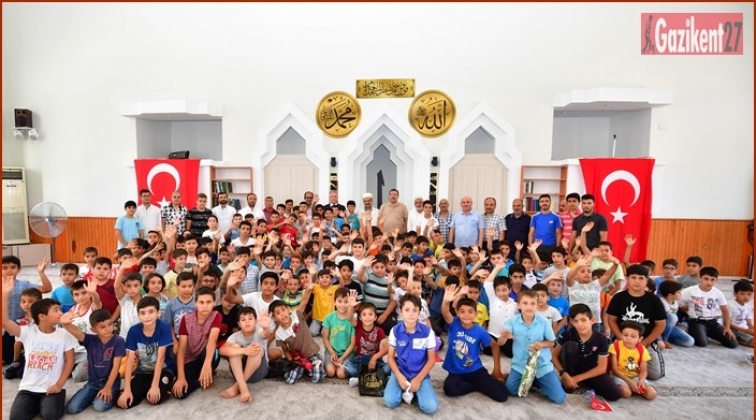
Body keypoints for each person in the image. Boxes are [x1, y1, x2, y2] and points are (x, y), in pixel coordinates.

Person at [3, 276, 77, 420]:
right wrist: (5, 295)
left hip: (52, 388)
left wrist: (59, 385)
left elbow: (70, 361)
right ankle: (37, 404)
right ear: (42, 316)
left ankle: (47, 403)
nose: (60, 313)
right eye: (56, 310)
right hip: (28, 388)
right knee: (16, 417)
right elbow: (4, 321)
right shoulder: (27, 332)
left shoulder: (64, 334)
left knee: (50, 415)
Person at [441, 284, 508, 402]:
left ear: (476, 314)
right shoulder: (454, 324)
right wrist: (446, 301)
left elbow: (495, 346)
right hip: (456, 371)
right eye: (462, 312)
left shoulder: (480, 331)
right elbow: (445, 312)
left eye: (470, 312)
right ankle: (475, 386)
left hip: (475, 370)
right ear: (457, 312)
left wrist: (497, 369)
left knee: (502, 396)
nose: (466, 315)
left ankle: (481, 382)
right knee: (449, 389)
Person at [501, 290, 565, 404]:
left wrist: (541, 344)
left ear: (537, 306)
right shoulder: (511, 321)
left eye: (532, 303)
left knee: (559, 398)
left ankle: (537, 381)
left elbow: (552, 342)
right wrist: (504, 337)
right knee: (511, 390)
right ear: (519, 305)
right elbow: (500, 343)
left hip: (542, 364)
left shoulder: (544, 322)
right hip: (521, 364)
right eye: (525, 303)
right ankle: (533, 380)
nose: (529, 306)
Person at [606, 264, 668, 380]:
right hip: (622, 339)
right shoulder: (618, 297)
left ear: (646, 280)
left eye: (641, 278)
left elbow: (661, 324)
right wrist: (621, 337)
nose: (637, 281)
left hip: (644, 340)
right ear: (627, 278)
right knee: (611, 368)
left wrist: (644, 343)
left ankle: (638, 367)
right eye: (633, 277)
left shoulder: (654, 300)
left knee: (655, 375)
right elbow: (612, 320)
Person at [551, 304, 622, 401]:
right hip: (571, 371)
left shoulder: (601, 339)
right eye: (575, 321)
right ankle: (571, 381)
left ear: (592, 320)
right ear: (571, 322)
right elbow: (554, 356)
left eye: (583, 320)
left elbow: (602, 368)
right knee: (571, 346)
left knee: (615, 394)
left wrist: (578, 378)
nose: (580, 324)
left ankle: (584, 383)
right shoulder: (568, 334)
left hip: (591, 371)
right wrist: (564, 374)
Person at [61, 309, 126, 414]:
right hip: (93, 382)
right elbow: (75, 331)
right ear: (93, 329)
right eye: (102, 327)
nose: (108, 329)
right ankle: (94, 395)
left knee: (99, 406)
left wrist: (107, 388)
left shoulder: (118, 341)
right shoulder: (90, 340)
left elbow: (116, 367)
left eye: (110, 324)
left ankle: (112, 394)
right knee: (72, 408)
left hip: (110, 381)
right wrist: (65, 323)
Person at [383, 294, 438, 414]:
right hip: (401, 371)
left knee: (430, 408)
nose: (411, 314)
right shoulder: (395, 331)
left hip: (420, 373)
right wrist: (398, 376)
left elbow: (431, 360)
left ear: (419, 312)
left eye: (415, 310)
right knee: (389, 401)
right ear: (400, 311)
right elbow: (390, 357)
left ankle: (415, 391)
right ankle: (404, 387)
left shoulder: (427, 332)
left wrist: (418, 379)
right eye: (407, 310)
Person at [117, 296, 176, 409]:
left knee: (156, 398)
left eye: (151, 312)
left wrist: (155, 386)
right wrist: (127, 389)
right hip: (143, 371)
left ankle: (163, 383)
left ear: (158, 313)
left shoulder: (163, 327)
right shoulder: (134, 331)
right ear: (138, 316)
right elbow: (130, 361)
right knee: (126, 403)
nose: (147, 316)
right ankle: (143, 385)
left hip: (164, 369)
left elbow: (160, 359)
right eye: (143, 313)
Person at [2, 256, 53, 365]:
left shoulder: (24, 284)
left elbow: (47, 288)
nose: (9, 270)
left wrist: (41, 272)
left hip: (20, 325)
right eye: (5, 268)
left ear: (19, 269)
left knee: (12, 357)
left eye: (13, 267)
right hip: (3, 325)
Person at [172, 287, 222, 399]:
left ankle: (207, 372)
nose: (205, 306)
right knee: (180, 393)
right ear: (195, 303)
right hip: (190, 358)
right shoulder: (186, 319)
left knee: (213, 351)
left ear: (214, 303)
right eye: (201, 302)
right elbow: (181, 349)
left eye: (208, 302)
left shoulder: (216, 316)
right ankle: (200, 379)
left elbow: (212, 341)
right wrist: (181, 377)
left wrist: (207, 365)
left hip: (207, 356)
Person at [219, 307, 272, 402]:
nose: (247, 322)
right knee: (234, 347)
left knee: (256, 347)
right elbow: (221, 350)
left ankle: (237, 386)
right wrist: (244, 351)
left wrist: (266, 328)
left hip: (258, 373)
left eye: (250, 319)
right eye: (243, 320)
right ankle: (244, 389)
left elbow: (265, 334)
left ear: (256, 321)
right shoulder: (235, 336)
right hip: (238, 373)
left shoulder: (259, 331)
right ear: (239, 324)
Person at [679, 266, 738, 348]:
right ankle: (693, 331)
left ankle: (705, 332)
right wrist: (687, 312)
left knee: (732, 343)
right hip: (696, 321)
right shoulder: (690, 291)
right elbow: (677, 303)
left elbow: (725, 310)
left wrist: (727, 327)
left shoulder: (718, 293)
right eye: (706, 279)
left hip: (712, 322)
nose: (709, 282)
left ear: (716, 280)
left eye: (712, 279)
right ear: (700, 278)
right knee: (702, 343)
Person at [269, 300, 325, 384]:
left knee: (318, 378)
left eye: (283, 310)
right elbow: (285, 350)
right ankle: (306, 367)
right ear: (274, 318)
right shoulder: (279, 333)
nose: (282, 314)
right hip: (298, 358)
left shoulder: (297, 316)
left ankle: (315, 362)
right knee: (290, 379)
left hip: (311, 353)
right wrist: (292, 361)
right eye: (278, 313)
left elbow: (304, 302)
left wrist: (308, 292)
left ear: (288, 309)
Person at [344, 293, 390, 380]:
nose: (367, 317)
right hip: (360, 360)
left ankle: (362, 378)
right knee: (348, 367)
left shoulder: (379, 331)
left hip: (375, 360)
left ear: (375, 317)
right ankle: (372, 376)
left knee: (388, 368)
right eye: (364, 314)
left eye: (370, 314)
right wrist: (351, 306)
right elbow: (349, 317)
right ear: (360, 318)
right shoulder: (358, 325)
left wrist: (374, 358)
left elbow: (387, 347)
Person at [609, 321, 657, 400]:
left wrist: (641, 380)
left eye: (633, 336)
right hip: (619, 376)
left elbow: (643, 370)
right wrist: (629, 382)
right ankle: (630, 387)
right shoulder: (615, 347)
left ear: (640, 339)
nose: (628, 338)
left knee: (651, 394)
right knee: (626, 393)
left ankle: (634, 388)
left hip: (635, 376)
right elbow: (614, 369)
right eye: (625, 335)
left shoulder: (642, 350)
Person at [66, 280, 103, 382]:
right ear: (73, 296)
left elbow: (97, 301)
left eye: (84, 293)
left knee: (78, 376)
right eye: (76, 294)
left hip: (89, 351)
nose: (81, 297)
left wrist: (94, 293)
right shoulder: (73, 309)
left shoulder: (93, 308)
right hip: (74, 351)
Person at [4, 287, 42, 380]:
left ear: (39, 302)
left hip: (41, 354)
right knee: (8, 374)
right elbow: (18, 342)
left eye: (30, 301)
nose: (26, 304)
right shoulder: (22, 321)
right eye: (23, 302)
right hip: (27, 354)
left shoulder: (43, 320)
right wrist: (15, 361)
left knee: (21, 374)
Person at [482, 267, 519, 358]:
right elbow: (487, 284)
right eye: (498, 290)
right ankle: (498, 346)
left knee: (511, 353)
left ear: (510, 290)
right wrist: (497, 268)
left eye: (504, 290)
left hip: (507, 335)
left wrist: (513, 335)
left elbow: (517, 320)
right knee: (488, 351)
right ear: (495, 291)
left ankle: (502, 346)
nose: (501, 293)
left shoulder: (514, 304)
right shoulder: (493, 300)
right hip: (493, 333)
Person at [322, 287, 356, 378]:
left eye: (346, 302)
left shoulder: (352, 320)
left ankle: (343, 365)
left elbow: (353, 343)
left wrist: (343, 357)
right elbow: (325, 338)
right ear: (335, 302)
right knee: (330, 372)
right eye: (340, 301)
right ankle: (329, 363)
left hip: (347, 353)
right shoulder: (329, 318)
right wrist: (332, 352)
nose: (342, 304)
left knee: (340, 374)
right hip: (331, 351)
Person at [163, 272, 197, 351]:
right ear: (177, 287)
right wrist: (174, 342)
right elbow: (169, 325)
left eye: (190, 286)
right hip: (177, 339)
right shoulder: (171, 304)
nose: (187, 289)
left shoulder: (197, 303)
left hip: (194, 340)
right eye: (184, 286)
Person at [657, 280, 695, 348]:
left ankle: (667, 338)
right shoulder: (660, 303)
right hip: (658, 329)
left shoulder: (676, 302)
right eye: (678, 292)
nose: (681, 294)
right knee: (672, 317)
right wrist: (664, 338)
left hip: (668, 329)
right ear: (670, 295)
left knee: (690, 341)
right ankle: (663, 339)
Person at [729, 280, 754, 348]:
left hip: (744, 329)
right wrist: (744, 330)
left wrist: (751, 330)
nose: (746, 297)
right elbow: (727, 323)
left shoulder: (748, 307)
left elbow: (750, 324)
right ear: (735, 294)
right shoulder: (730, 305)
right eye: (742, 294)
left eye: (749, 294)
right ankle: (739, 339)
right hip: (734, 330)